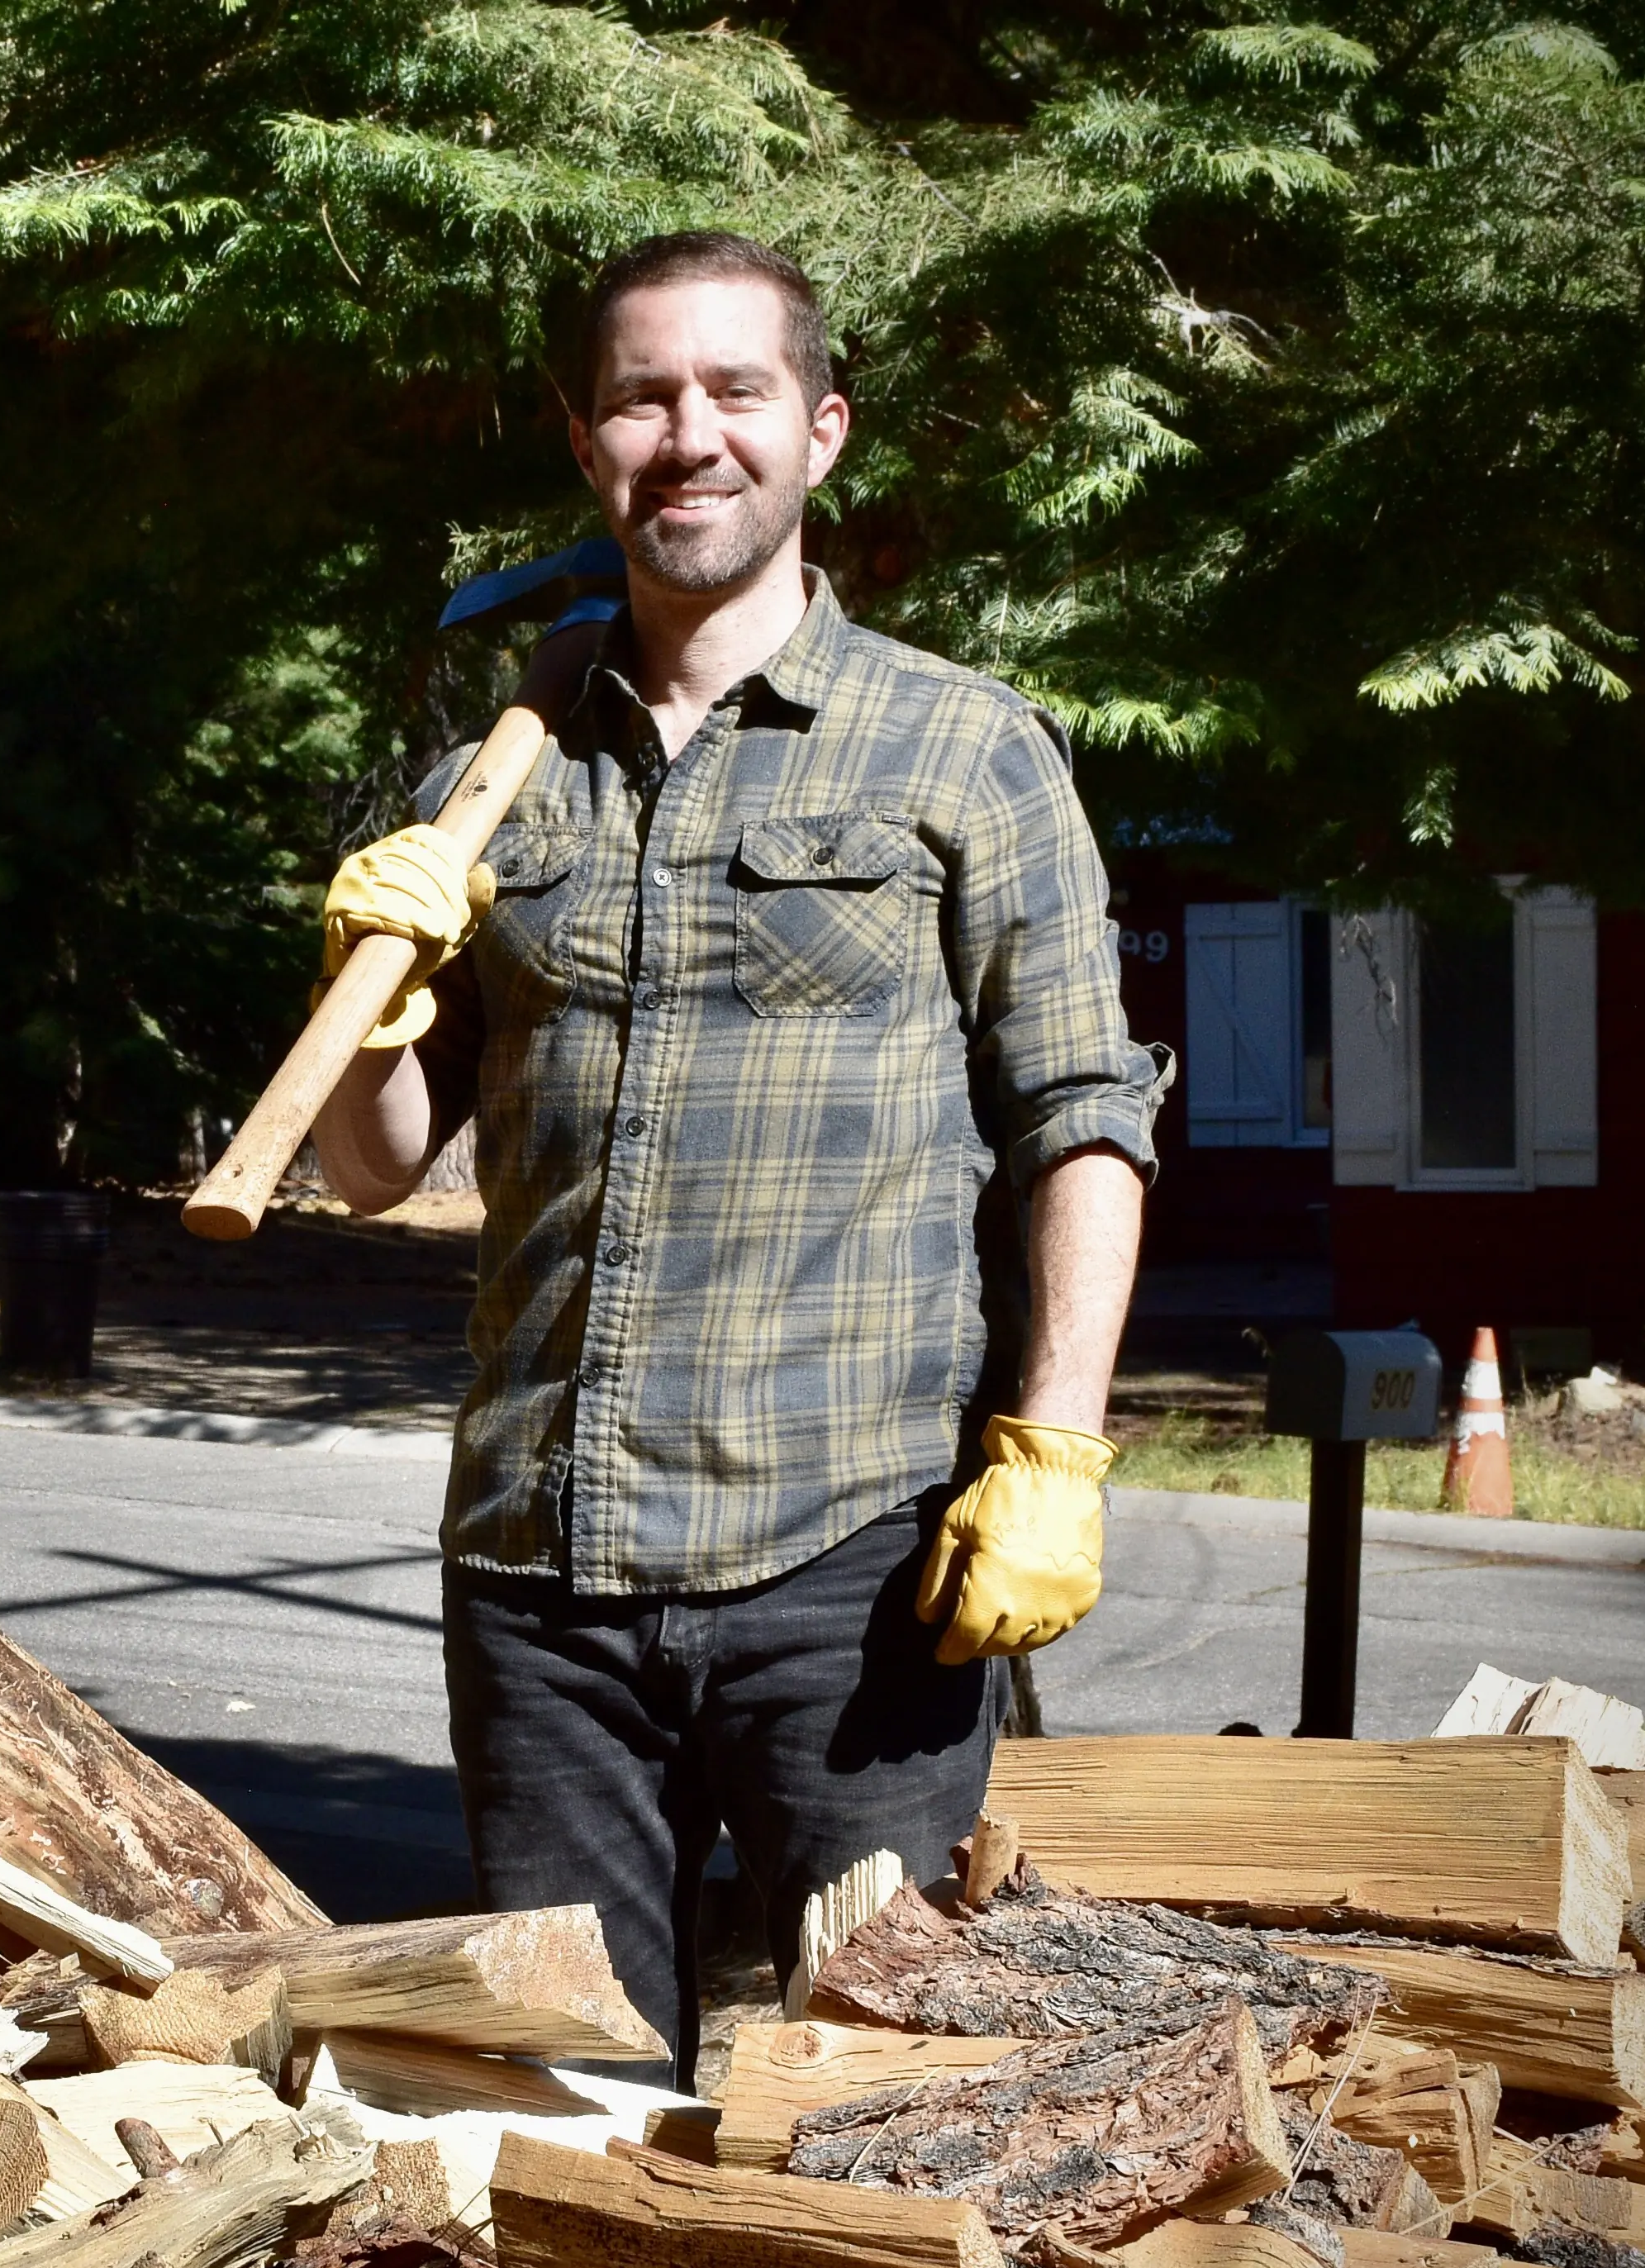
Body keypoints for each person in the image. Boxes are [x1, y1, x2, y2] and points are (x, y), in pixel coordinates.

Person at [309, 231, 1167, 2083]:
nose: (688, 436)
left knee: (887, 2103)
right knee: (564, 2121)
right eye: (641, 397)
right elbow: (377, 1170)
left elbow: (1081, 1116)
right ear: (586, 441)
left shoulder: (965, 751)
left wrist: (1062, 1450)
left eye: (734, 392)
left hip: (849, 1579)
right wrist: (369, 1004)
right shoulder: (506, 774)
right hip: (538, 1580)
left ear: (820, 431)